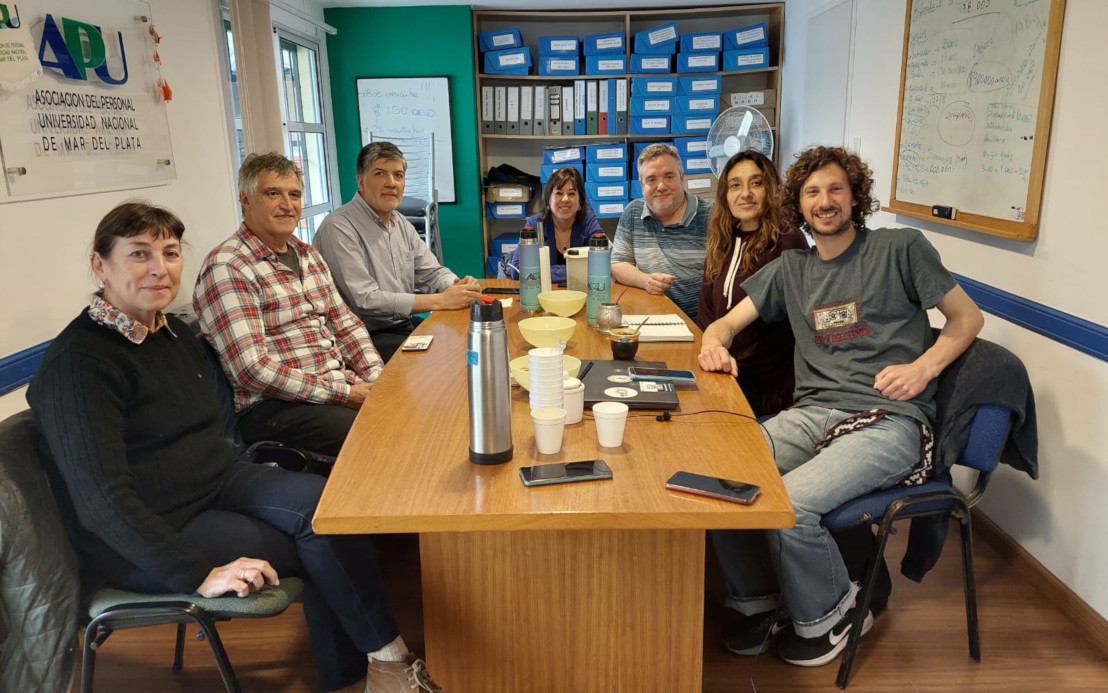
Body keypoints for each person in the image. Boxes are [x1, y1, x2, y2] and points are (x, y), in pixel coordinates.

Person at [27, 202, 445, 693]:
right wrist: (197, 573)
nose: (160, 269)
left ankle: (366, 669)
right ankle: (382, 668)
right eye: (139, 254)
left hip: (219, 482)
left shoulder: (172, 333)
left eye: (170, 252)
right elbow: (102, 505)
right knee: (314, 545)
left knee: (333, 511)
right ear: (100, 266)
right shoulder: (80, 364)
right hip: (158, 526)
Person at [698, 146, 984, 667]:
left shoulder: (901, 248)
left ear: (855, 197)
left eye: (835, 190)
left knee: (791, 505)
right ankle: (767, 597)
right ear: (798, 206)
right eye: (812, 193)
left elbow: (967, 319)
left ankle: (837, 611)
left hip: (890, 420)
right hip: (813, 414)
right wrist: (713, 344)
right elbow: (724, 324)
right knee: (715, 475)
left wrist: (924, 368)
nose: (824, 201)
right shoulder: (792, 268)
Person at [194, 153, 382, 458]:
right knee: (382, 431)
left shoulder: (307, 254)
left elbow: (344, 323)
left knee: (405, 411)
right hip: (274, 407)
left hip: (332, 387)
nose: (287, 204)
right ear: (245, 200)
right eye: (272, 194)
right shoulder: (229, 266)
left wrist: (376, 377)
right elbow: (252, 370)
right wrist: (345, 394)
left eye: (294, 195)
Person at [315, 141, 481, 361]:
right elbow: (366, 300)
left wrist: (458, 288)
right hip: (362, 336)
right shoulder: (338, 228)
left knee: (463, 346)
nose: (391, 183)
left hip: (400, 325)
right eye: (380, 174)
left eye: (398, 175)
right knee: (439, 365)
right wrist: (441, 300)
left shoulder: (400, 223)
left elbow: (431, 272)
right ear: (361, 181)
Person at [695, 150, 809, 418]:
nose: (745, 193)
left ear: (770, 189)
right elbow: (706, 312)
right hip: (723, 372)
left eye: (756, 183)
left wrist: (732, 366)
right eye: (735, 185)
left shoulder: (789, 241)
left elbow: (786, 329)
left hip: (767, 387)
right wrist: (711, 358)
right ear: (725, 194)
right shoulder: (722, 240)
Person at [610, 143, 712, 319]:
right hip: (650, 316)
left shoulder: (711, 216)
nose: (661, 186)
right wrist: (646, 281)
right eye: (651, 180)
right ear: (642, 185)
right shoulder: (633, 212)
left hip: (700, 322)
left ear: (682, 178)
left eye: (669, 176)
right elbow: (618, 264)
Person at [506, 166, 603, 284]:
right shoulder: (535, 224)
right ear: (548, 200)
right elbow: (517, 270)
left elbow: (601, 264)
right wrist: (577, 271)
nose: (565, 199)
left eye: (571, 193)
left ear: (580, 201)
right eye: (559, 193)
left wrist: (541, 272)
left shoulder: (588, 222)